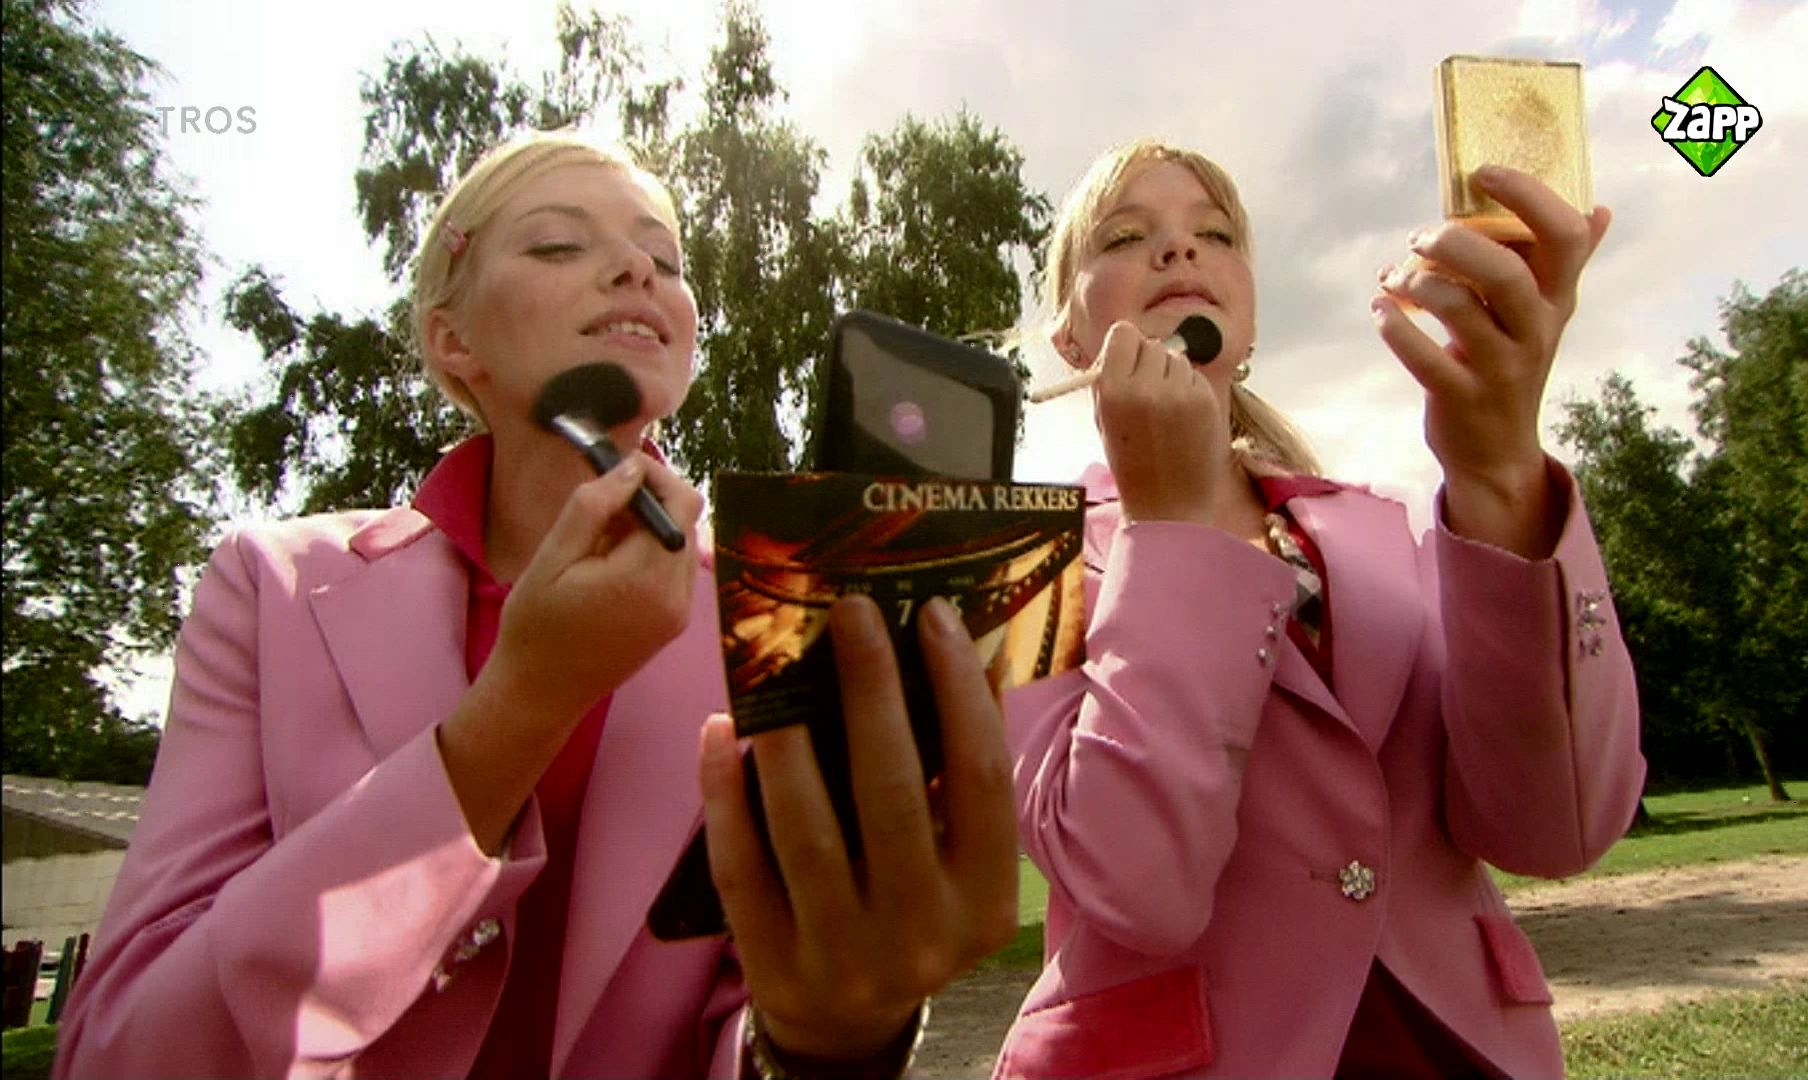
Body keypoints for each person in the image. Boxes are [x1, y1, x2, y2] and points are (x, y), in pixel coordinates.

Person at [54, 130, 1018, 1080]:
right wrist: (521, 706)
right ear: (453, 339)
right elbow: (120, 1052)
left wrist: (826, 1044)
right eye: (559, 244)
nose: (636, 271)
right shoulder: (271, 587)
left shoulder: (769, 612)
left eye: (666, 261)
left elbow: (753, 1027)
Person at [992, 139, 1644, 1079]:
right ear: (1068, 338)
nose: (1180, 249)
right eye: (1126, 237)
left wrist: (1502, 472)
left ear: (1250, 314)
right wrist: (1172, 532)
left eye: (1216, 234)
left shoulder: (1388, 528)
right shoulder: (1020, 569)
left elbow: (1555, 827)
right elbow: (1137, 886)